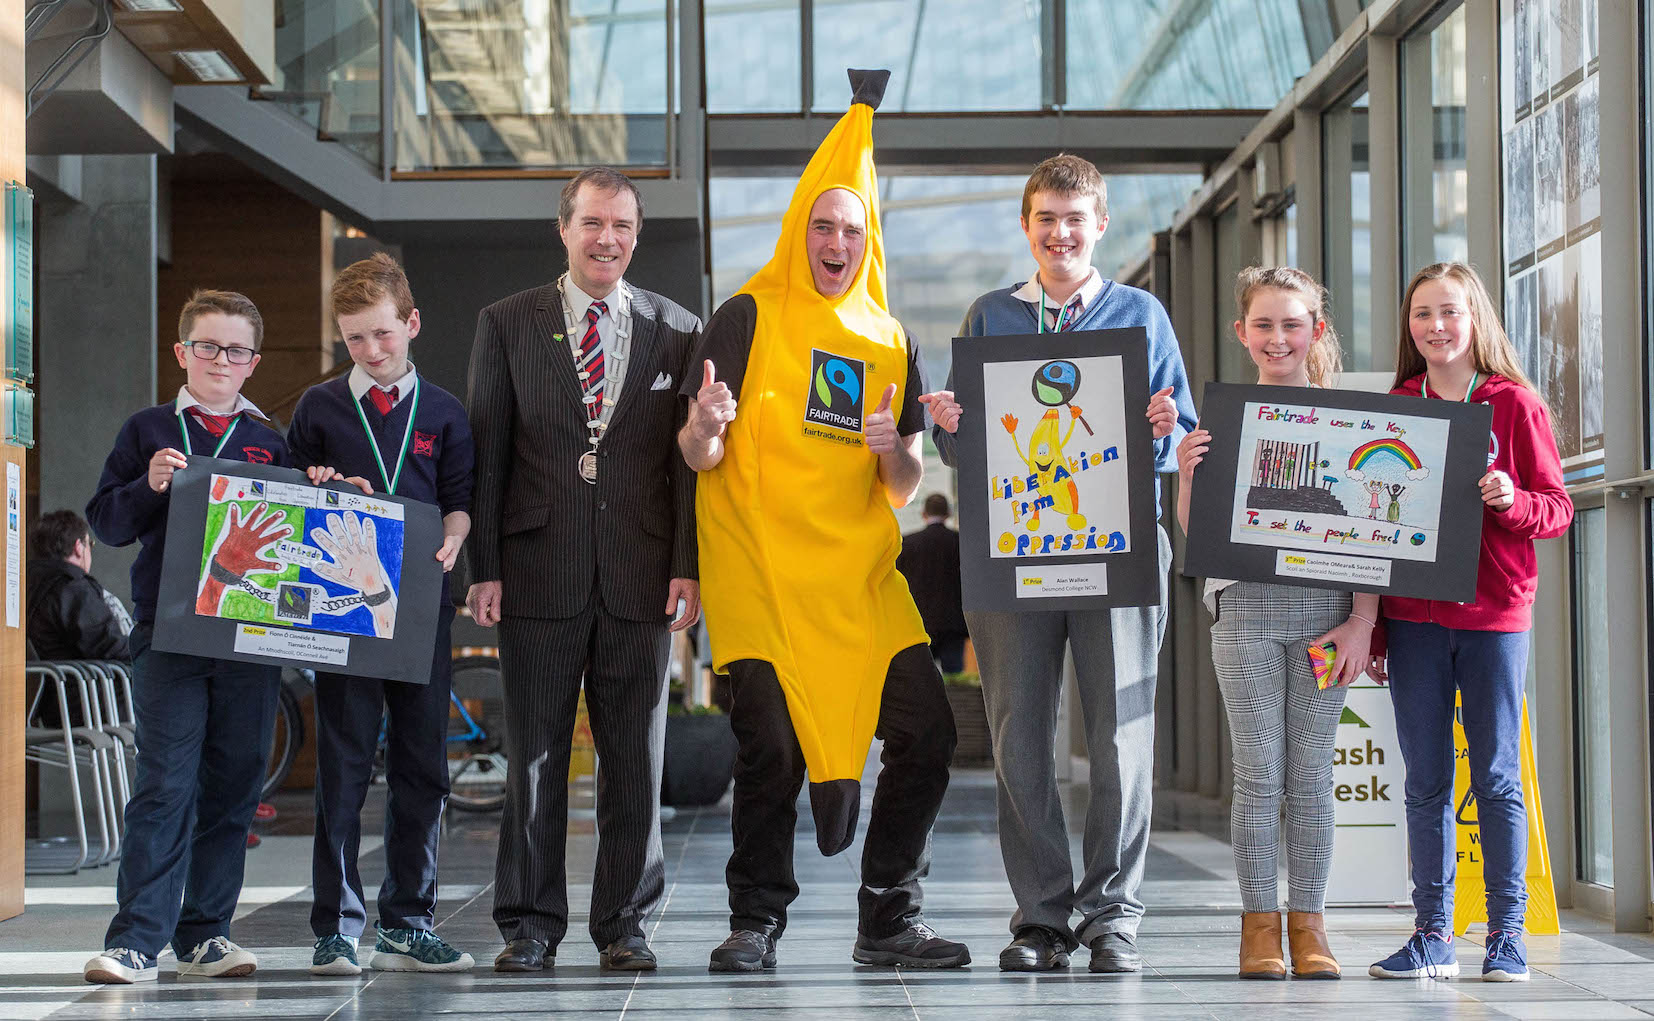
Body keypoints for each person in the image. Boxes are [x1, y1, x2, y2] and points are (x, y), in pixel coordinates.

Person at [679, 69, 967, 974]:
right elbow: (699, 454)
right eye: (824, 223)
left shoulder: (889, 338)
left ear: (866, 237)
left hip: (860, 581)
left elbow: (902, 481)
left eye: (852, 228)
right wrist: (704, 426)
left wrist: (892, 446)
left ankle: (888, 913)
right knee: (769, 742)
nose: (837, 240)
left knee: (931, 730)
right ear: (799, 227)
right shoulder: (746, 317)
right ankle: (755, 917)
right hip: (763, 574)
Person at [926, 153, 1197, 973]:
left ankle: (1112, 914)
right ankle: (1041, 916)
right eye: (1046, 218)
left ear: (1099, 226)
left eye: (1075, 218)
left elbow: (1182, 437)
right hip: (1015, 558)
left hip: (1116, 553)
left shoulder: (1141, 315)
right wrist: (945, 421)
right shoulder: (989, 317)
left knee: (1122, 739)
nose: (1060, 232)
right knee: (1019, 739)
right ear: (1026, 225)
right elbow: (965, 445)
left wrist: (1163, 429)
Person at [466, 167, 702, 973]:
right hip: (537, 569)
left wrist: (687, 566)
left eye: (623, 227)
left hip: (641, 573)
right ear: (562, 229)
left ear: (638, 235)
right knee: (533, 755)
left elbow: (687, 470)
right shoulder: (505, 323)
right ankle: (529, 924)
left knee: (635, 757)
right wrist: (485, 566)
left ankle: (625, 924)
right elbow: (488, 451)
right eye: (594, 223)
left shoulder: (679, 328)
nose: (609, 239)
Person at [1366, 262, 1571, 983]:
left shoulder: (1514, 405)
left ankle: (1505, 935)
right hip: (1416, 622)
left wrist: (1511, 499)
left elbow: (1557, 508)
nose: (1436, 326)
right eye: (1423, 314)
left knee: (1495, 776)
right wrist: (1382, 629)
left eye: (1450, 312)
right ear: (1409, 326)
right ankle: (1432, 934)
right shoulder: (1397, 404)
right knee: (1423, 779)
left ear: (1476, 318)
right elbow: (1375, 529)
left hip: (1493, 618)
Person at [1175, 267, 1379, 980]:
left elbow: (1370, 535)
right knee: (1260, 774)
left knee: (1311, 775)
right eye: (1263, 324)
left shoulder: (1346, 424)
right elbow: (1199, 543)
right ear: (1242, 333)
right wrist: (1189, 474)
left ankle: (1311, 925)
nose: (1278, 337)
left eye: (1292, 324)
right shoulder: (1220, 423)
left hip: (1327, 617)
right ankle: (1259, 927)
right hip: (1244, 617)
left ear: (1315, 331)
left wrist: (1361, 622)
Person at [81, 290, 289, 984]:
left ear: (252, 362)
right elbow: (107, 523)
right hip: (167, 636)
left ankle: (205, 935)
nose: (220, 359)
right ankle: (137, 938)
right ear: (182, 352)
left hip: (250, 639)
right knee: (164, 786)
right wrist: (148, 483)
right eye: (207, 345)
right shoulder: (147, 430)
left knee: (233, 787)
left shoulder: (271, 441)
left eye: (235, 349)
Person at [287, 253, 476, 975]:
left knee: (423, 766)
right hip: (344, 612)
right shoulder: (319, 407)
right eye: (355, 339)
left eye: (383, 335)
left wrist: (456, 534)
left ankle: (408, 919)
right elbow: (294, 486)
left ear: (413, 324)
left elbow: (458, 496)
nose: (371, 350)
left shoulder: (445, 411)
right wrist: (317, 480)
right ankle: (335, 926)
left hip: (422, 608)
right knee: (342, 764)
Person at [28, 509, 131, 664]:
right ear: (78, 547)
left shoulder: (24, 585)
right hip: (82, 684)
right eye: (90, 544)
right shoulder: (73, 587)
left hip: (42, 685)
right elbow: (109, 646)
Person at [897, 494, 968, 674]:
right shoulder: (961, 543)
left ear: (923, 513)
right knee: (954, 678)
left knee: (921, 677)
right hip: (953, 622)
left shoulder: (907, 544)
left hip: (918, 621)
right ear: (949, 513)